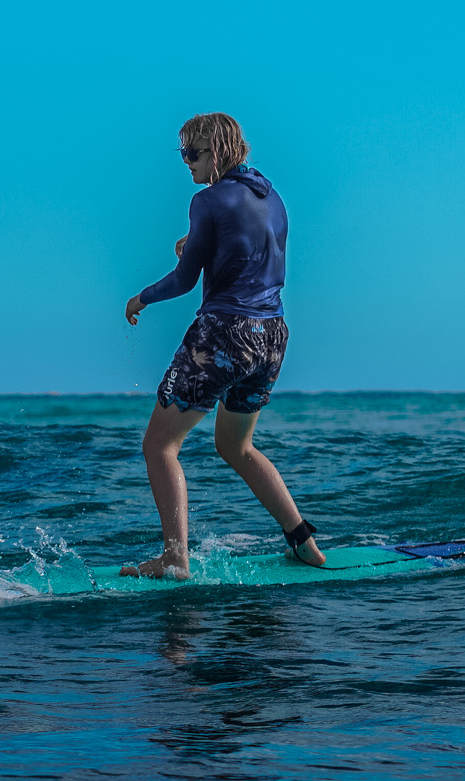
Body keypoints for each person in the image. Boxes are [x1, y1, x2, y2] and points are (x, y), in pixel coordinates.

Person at [121, 113, 323, 580]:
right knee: (237, 446)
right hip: (271, 336)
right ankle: (304, 542)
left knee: (159, 446)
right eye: (183, 154)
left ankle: (175, 557)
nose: (187, 163)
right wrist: (196, 241)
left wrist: (141, 298)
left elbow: (185, 281)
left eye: (193, 153)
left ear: (218, 151)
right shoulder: (270, 196)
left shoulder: (207, 199)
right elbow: (247, 249)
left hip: (224, 333)